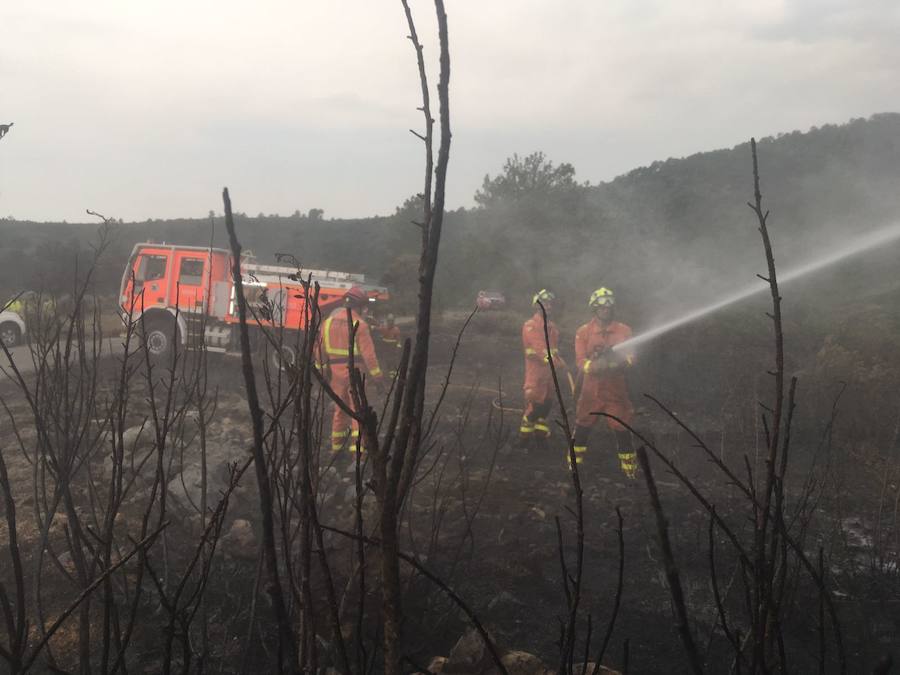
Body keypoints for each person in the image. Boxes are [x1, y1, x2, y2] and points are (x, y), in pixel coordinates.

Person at [571, 287, 637, 478]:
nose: (606, 309)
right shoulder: (584, 332)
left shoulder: (624, 330)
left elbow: (632, 356)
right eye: (601, 307)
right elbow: (580, 361)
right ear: (594, 308)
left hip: (616, 390)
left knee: (622, 429)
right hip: (591, 391)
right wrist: (594, 366)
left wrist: (620, 363)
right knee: (582, 427)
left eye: (609, 306)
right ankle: (573, 467)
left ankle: (630, 472)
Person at [318, 286, 384, 454]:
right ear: (359, 306)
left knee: (340, 410)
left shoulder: (327, 323)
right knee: (358, 412)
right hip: (356, 375)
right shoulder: (360, 325)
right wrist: (378, 379)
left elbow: (318, 350)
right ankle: (358, 452)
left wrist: (323, 371)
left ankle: (336, 449)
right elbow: (369, 356)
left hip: (335, 375)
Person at [520, 289, 567, 448]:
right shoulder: (530, 326)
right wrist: (556, 362)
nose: (547, 305)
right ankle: (523, 440)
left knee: (546, 405)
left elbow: (553, 349)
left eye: (549, 303)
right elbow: (540, 350)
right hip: (536, 373)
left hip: (549, 374)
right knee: (535, 406)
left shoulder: (552, 327)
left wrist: (559, 359)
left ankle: (541, 437)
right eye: (543, 303)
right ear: (536, 306)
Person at [375, 313, 403, 377]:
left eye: (391, 321)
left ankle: (394, 374)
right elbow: (379, 329)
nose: (390, 322)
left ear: (393, 321)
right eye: (389, 321)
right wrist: (372, 327)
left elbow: (399, 339)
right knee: (387, 360)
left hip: (392, 348)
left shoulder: (396, 329)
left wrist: (398, 347)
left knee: (393, 360)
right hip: (386, 347)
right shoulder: (384, 328)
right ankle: (390, 374)